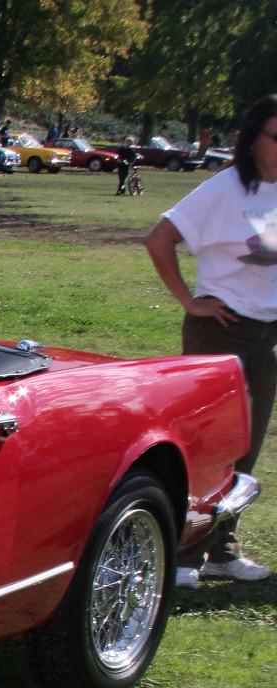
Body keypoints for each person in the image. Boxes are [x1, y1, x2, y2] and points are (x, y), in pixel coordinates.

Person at [144, 94, 277, 587]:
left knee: (245, 449)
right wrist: (190, 301)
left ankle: (222, 549)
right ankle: (181, 557)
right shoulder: (224, 189)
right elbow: (159, 239)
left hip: (267, 336)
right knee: (206, 449)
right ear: (253, 139)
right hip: (219, 330)